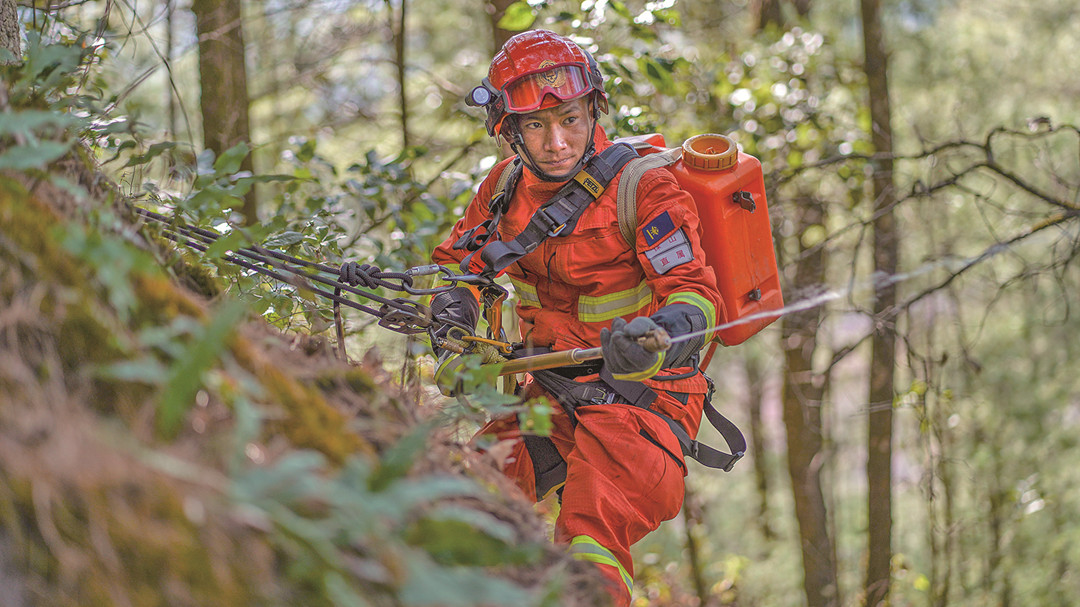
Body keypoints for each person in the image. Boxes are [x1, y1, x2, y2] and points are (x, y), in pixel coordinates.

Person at [347, 29, 722, 606]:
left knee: (589, 545)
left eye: (570, 119)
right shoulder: (501, 191)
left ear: (593, 109)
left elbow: (695, 295)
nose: (557, 142)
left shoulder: (644, 189)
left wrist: (656, 336)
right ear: (510, 131)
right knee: (465, 501)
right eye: (537, 127)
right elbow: (457, 267)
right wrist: (454, 331)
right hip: (546, 394)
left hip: (645, 398)